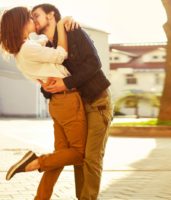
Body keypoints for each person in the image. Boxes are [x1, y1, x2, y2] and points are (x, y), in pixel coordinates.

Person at [0, 6, 87, 197]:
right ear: (22, 23)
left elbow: (42, 41)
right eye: (30, 18)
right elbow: (60, 54)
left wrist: (45, 38)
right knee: (79, 153)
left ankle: (41, 197)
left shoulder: (21, 52)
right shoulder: (28, 49)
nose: (33, 20)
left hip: (58, 103)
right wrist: (62, 25)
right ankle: (35, 162)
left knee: (60, 156)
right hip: (68, 100)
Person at [32, 3, 113, 200]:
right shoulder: (50, 49)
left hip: (97, 101)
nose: (33, 20)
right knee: (79, 157)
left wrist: (65, 84)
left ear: (51, 15)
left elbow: (94, 63)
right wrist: (47, 87)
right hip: (76, 108)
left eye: (36, 15)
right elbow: (52, 85)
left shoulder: (74, 31)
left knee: (92, 159)